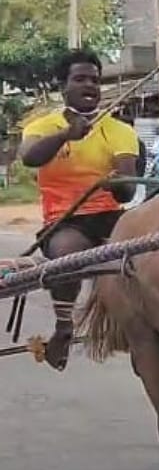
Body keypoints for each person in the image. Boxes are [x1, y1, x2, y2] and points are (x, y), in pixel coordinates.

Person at [18, 49, 138, 371]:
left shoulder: (120, 130)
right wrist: (65, 135)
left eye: (95, 80)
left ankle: (146, 323)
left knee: (148, 252)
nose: (90, 86)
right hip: (66, 220)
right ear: (63, 86)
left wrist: (116, 182)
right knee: (67, 254)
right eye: (80, 79)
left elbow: (129, 190)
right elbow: (29, 158)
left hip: (113, 217)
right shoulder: (41, 126)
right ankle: (64, 326)